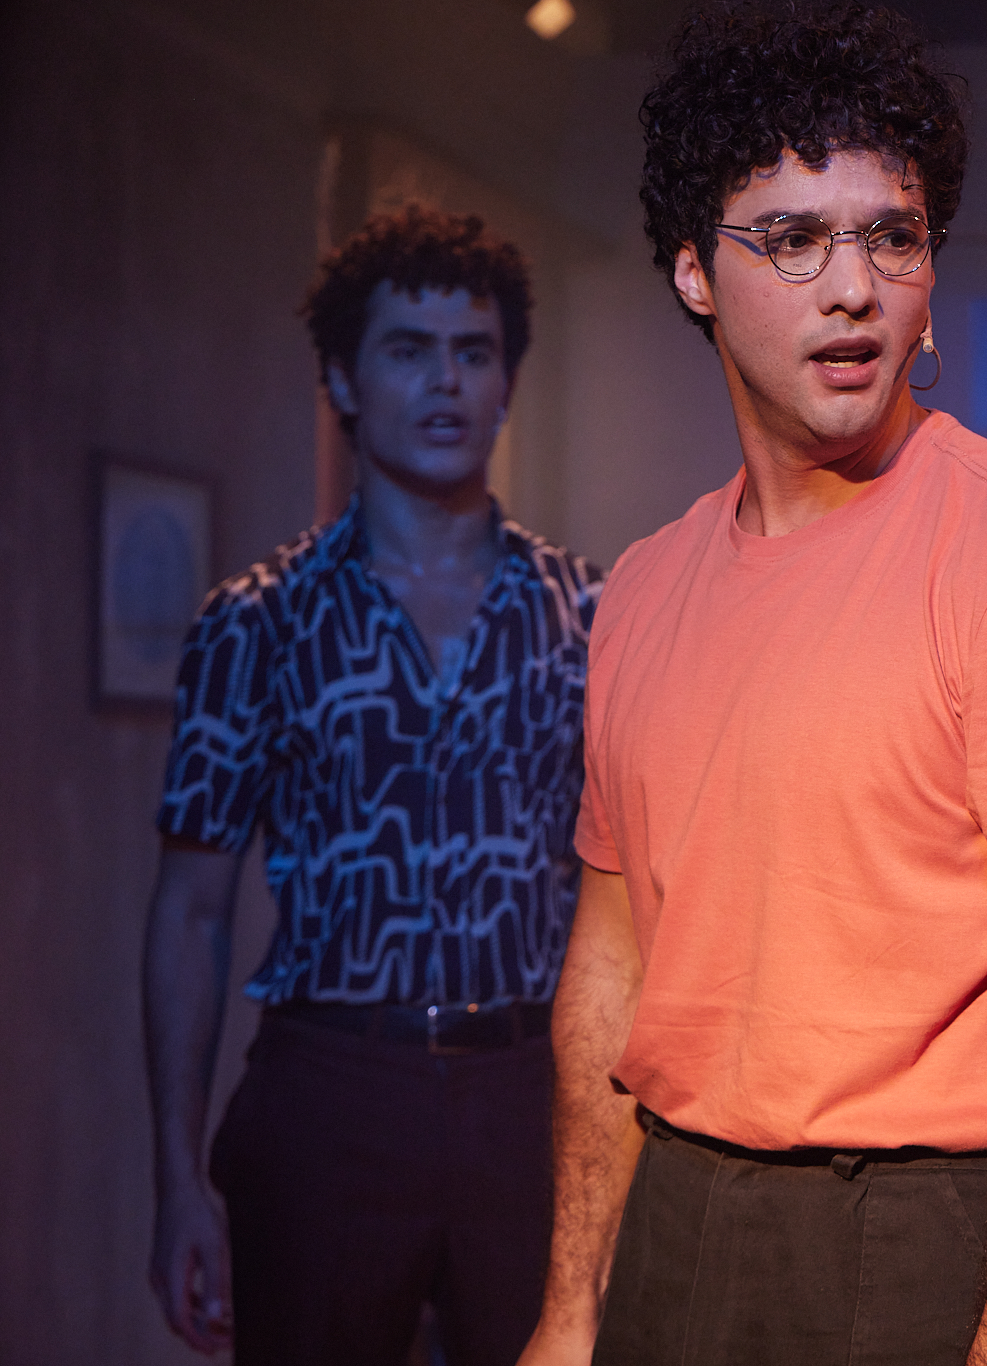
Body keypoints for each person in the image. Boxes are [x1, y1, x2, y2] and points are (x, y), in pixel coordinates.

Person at [516, 6, 987, 1365]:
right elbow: (610, 967)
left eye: (892, 235)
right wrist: (571, 1302)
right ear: (694, 272)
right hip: (678, 1222)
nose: (854, 288)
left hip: (939, 1238)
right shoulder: (645, 588)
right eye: (793, 237)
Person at [143, 204, 603, 1365]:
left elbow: (639, 893)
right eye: (408, 349)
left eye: (472, 351)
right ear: (344, 379)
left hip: (529, 1091)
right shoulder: (258, 621)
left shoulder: (591, 615)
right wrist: (177, 1180)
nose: (445, 381)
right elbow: (189, 912)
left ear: (506, 382)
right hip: (331, 1087)